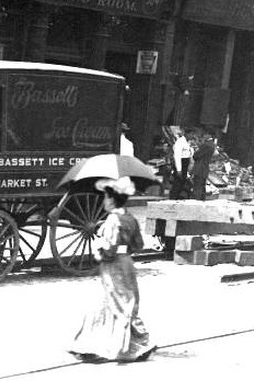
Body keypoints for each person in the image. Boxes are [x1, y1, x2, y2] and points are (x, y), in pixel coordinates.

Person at [69, 176, 155, 363]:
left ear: (112, 199)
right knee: (124, 302)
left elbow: (109, 249)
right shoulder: (130, 218)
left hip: (113, 265)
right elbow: (138, 244)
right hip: (127, 263)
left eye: (106, 197)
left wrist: (99, 252)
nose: (103, 201)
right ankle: (102, 344)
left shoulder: (112, 220)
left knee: (115, 303)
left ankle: (128, 346)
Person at [169, 129, 193, 199]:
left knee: (182, 181)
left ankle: (178, 196)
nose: (192, 136)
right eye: (191, 134)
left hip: (185, 163)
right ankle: (173, 197)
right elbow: (177, 156)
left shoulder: (187, 142)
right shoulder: (180, 142)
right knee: (177, 182)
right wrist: (179, 169)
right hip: (181, 163)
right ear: (187, 134)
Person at [191, 133, 215, 201]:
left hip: (199, 168)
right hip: (205, 168)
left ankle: (196, 201)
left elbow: (196, 156)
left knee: (197, 186)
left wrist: (196, 150)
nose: (203, 137)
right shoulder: (212, 145)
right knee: (202, 186)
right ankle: (202, 200)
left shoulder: (206, 145)